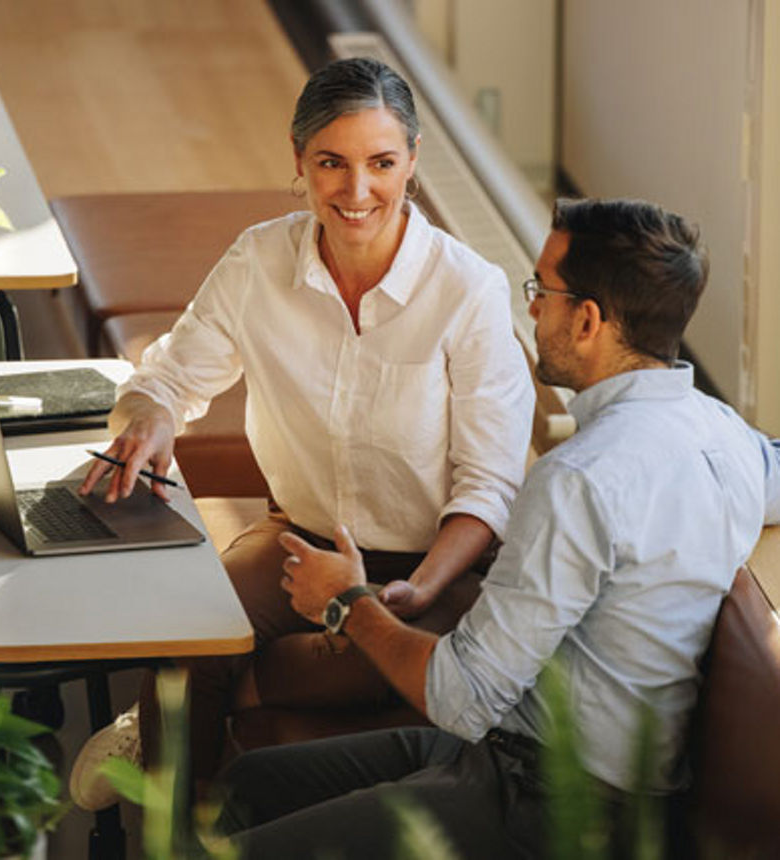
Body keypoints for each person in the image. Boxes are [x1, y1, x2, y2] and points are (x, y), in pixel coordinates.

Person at [215, 197, 780, 858]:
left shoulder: (578, 479)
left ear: (589, 320)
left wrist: (346, 603)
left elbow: (462, 695)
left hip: (552, 801)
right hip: (527, 751)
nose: (533, 309)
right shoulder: (726, 437)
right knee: (246, 783)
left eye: (543, 292)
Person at [68, 56, 535, 811]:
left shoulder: (468, 290)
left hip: (437, 564)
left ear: (413, 162)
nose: (357, 192)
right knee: (188, 631)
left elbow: (489, 487)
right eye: (332, 163)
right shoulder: (258, 260)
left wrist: (408, 593)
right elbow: (169, 378)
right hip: (300, 542)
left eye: (382, 163)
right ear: (299, 161)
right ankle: (178, 834)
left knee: (337, 661)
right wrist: (150, 419)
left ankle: (210, 698)